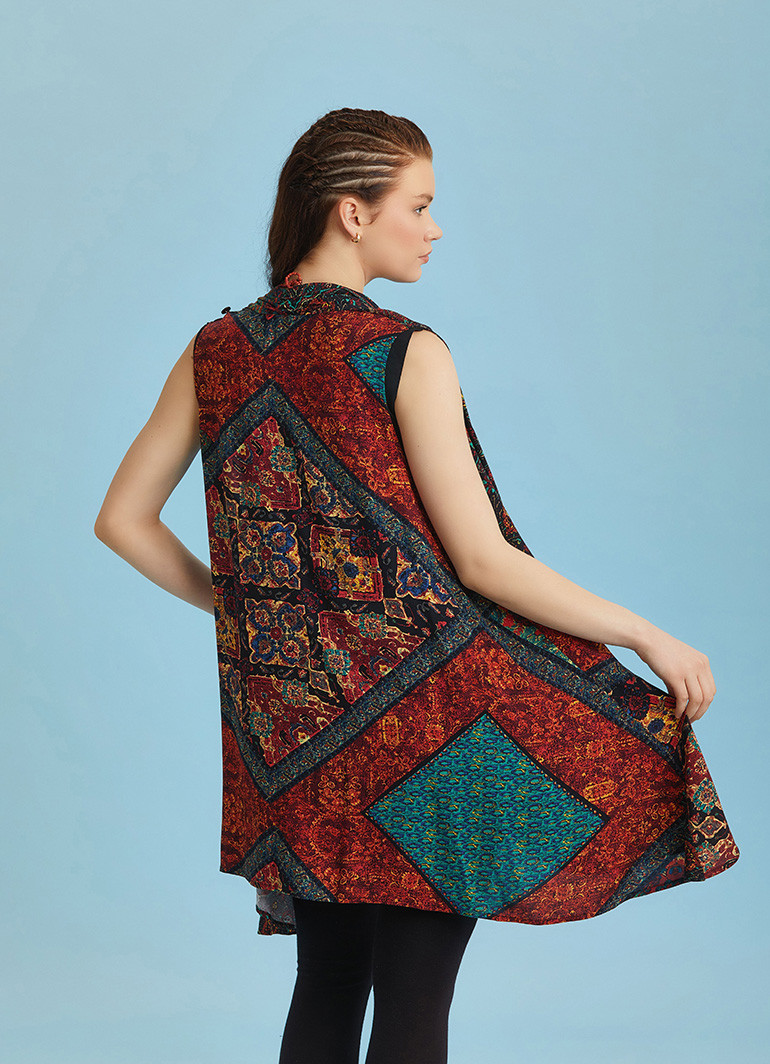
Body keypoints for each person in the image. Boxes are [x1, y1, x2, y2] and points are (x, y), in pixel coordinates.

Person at [94, 107, 739, 1064]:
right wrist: (647, 634)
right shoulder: (404, 350)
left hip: (298, 726)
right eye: (420, 205)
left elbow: (122, 520)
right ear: (353, 212)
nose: (435, 229)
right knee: (414, 999)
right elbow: (483, 564)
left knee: (326, 983)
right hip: (438, 730)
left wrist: (261, 615)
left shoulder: (216, 349)